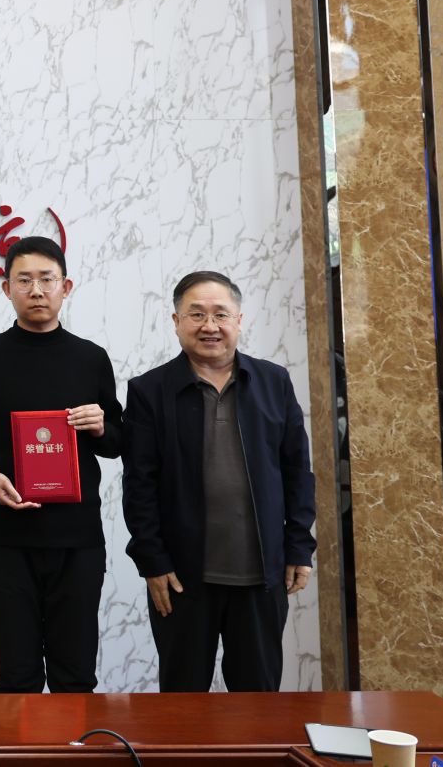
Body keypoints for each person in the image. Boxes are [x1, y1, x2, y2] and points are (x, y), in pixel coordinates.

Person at [123, 270, 317, 692]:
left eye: (220, 314)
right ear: (176, 321)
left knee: (257, 698)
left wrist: (300, 545)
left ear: (239, 320)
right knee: (182, 699)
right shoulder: (149, 391)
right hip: (181, 579)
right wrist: (152, 560)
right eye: (196, 314)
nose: (209, 326)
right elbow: (139, 486)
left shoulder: (273, 382)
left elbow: (297, 473)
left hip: (262, 574)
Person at [0, 235, 123, 693]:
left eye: (47, 279)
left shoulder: (90, 357)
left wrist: (101, 427)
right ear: (7, 289)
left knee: (75, 675)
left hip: (78, 541)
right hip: (7, 541)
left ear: (66, 286)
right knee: (15, 676)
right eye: (24, 280)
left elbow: (118, 442)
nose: (37, 290)